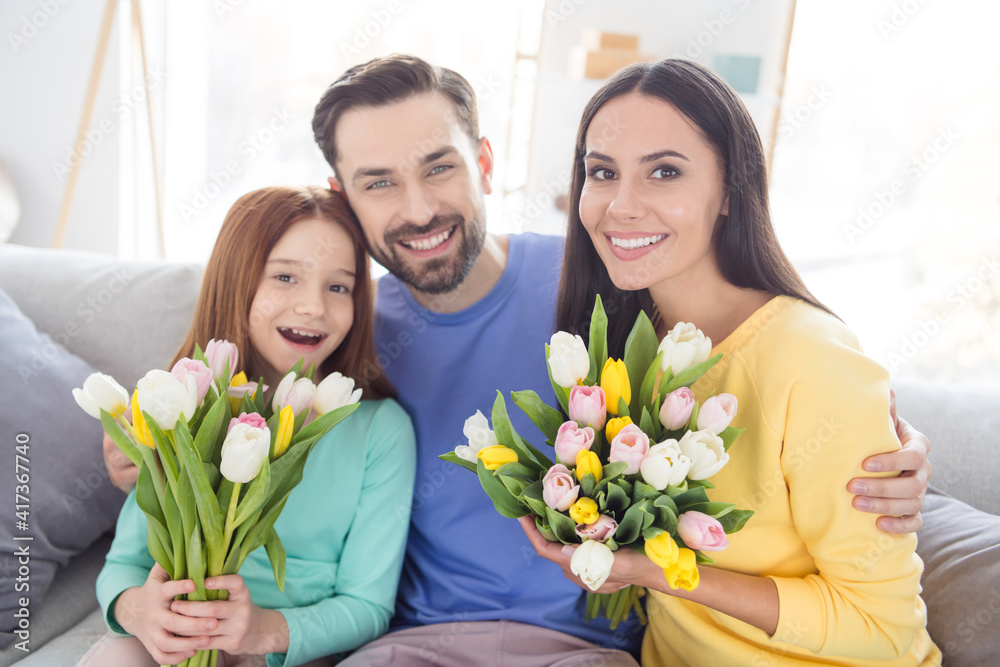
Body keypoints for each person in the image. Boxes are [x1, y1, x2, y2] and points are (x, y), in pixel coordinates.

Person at [106, 55, 931, 665]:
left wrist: (894, 448)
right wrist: (138, 446)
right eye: (379, 183)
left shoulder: (607, 278)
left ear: (486, 165)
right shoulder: (340, 335)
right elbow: (223, 382)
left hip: (589, 644)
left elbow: (752, 352)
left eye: (440, 168)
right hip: (416, 644)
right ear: (344, 196)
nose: (420, 207)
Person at [520, 59, 941, 665]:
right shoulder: (623, 349)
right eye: (602, 172)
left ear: (728, 192)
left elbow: (883, 631)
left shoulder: (814, 363)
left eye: (664, 172)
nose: (621, 206)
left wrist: (657, 570)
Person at [80, 186, 416, 667]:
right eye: (285, 276)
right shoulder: (182, 408)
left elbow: (367, 605)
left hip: (285, 650)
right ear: (236, 282)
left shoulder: (380, 431)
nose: (314, 307)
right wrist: (137, 610)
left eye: (338, 286)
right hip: (179, 646)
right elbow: (123, 566)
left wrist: (263, 632)